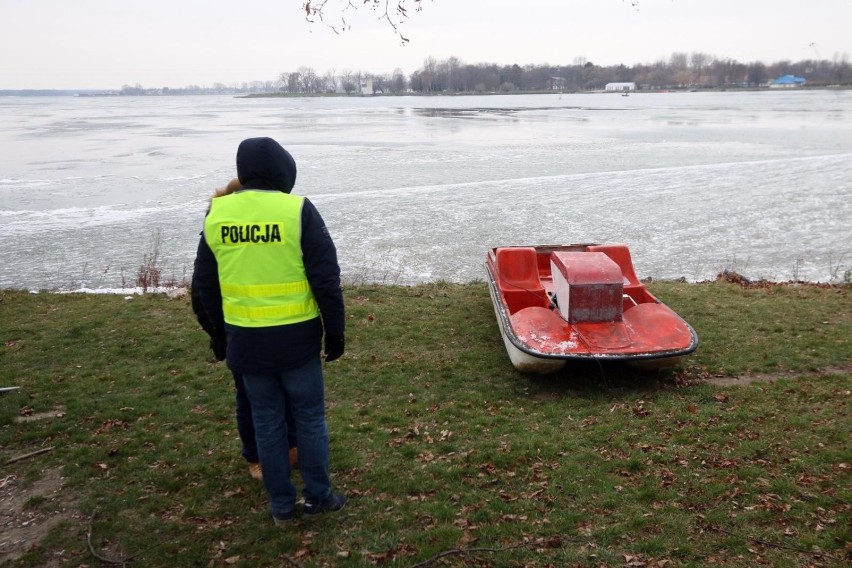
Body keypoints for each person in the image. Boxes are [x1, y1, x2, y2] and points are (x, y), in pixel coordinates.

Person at [192, 138, 346, 526]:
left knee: (266, 422)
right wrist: (336, 332)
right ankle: (318, 497)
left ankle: (281, 507)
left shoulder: (218, 214)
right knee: (309, 418)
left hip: (246, 342)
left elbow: (204, 288)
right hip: (297, 341)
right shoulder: (297, 210)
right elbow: (326, 279)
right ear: (284, 172)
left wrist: (218, 335)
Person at [191, 179, 298, 482]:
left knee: (285, 393)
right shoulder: (217, 230)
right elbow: (203, 290)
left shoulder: (267, 229)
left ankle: (291, 445)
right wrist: (220, 335)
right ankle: (255, 457)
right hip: (239, 332)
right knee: (249, 398)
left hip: (277, 328)